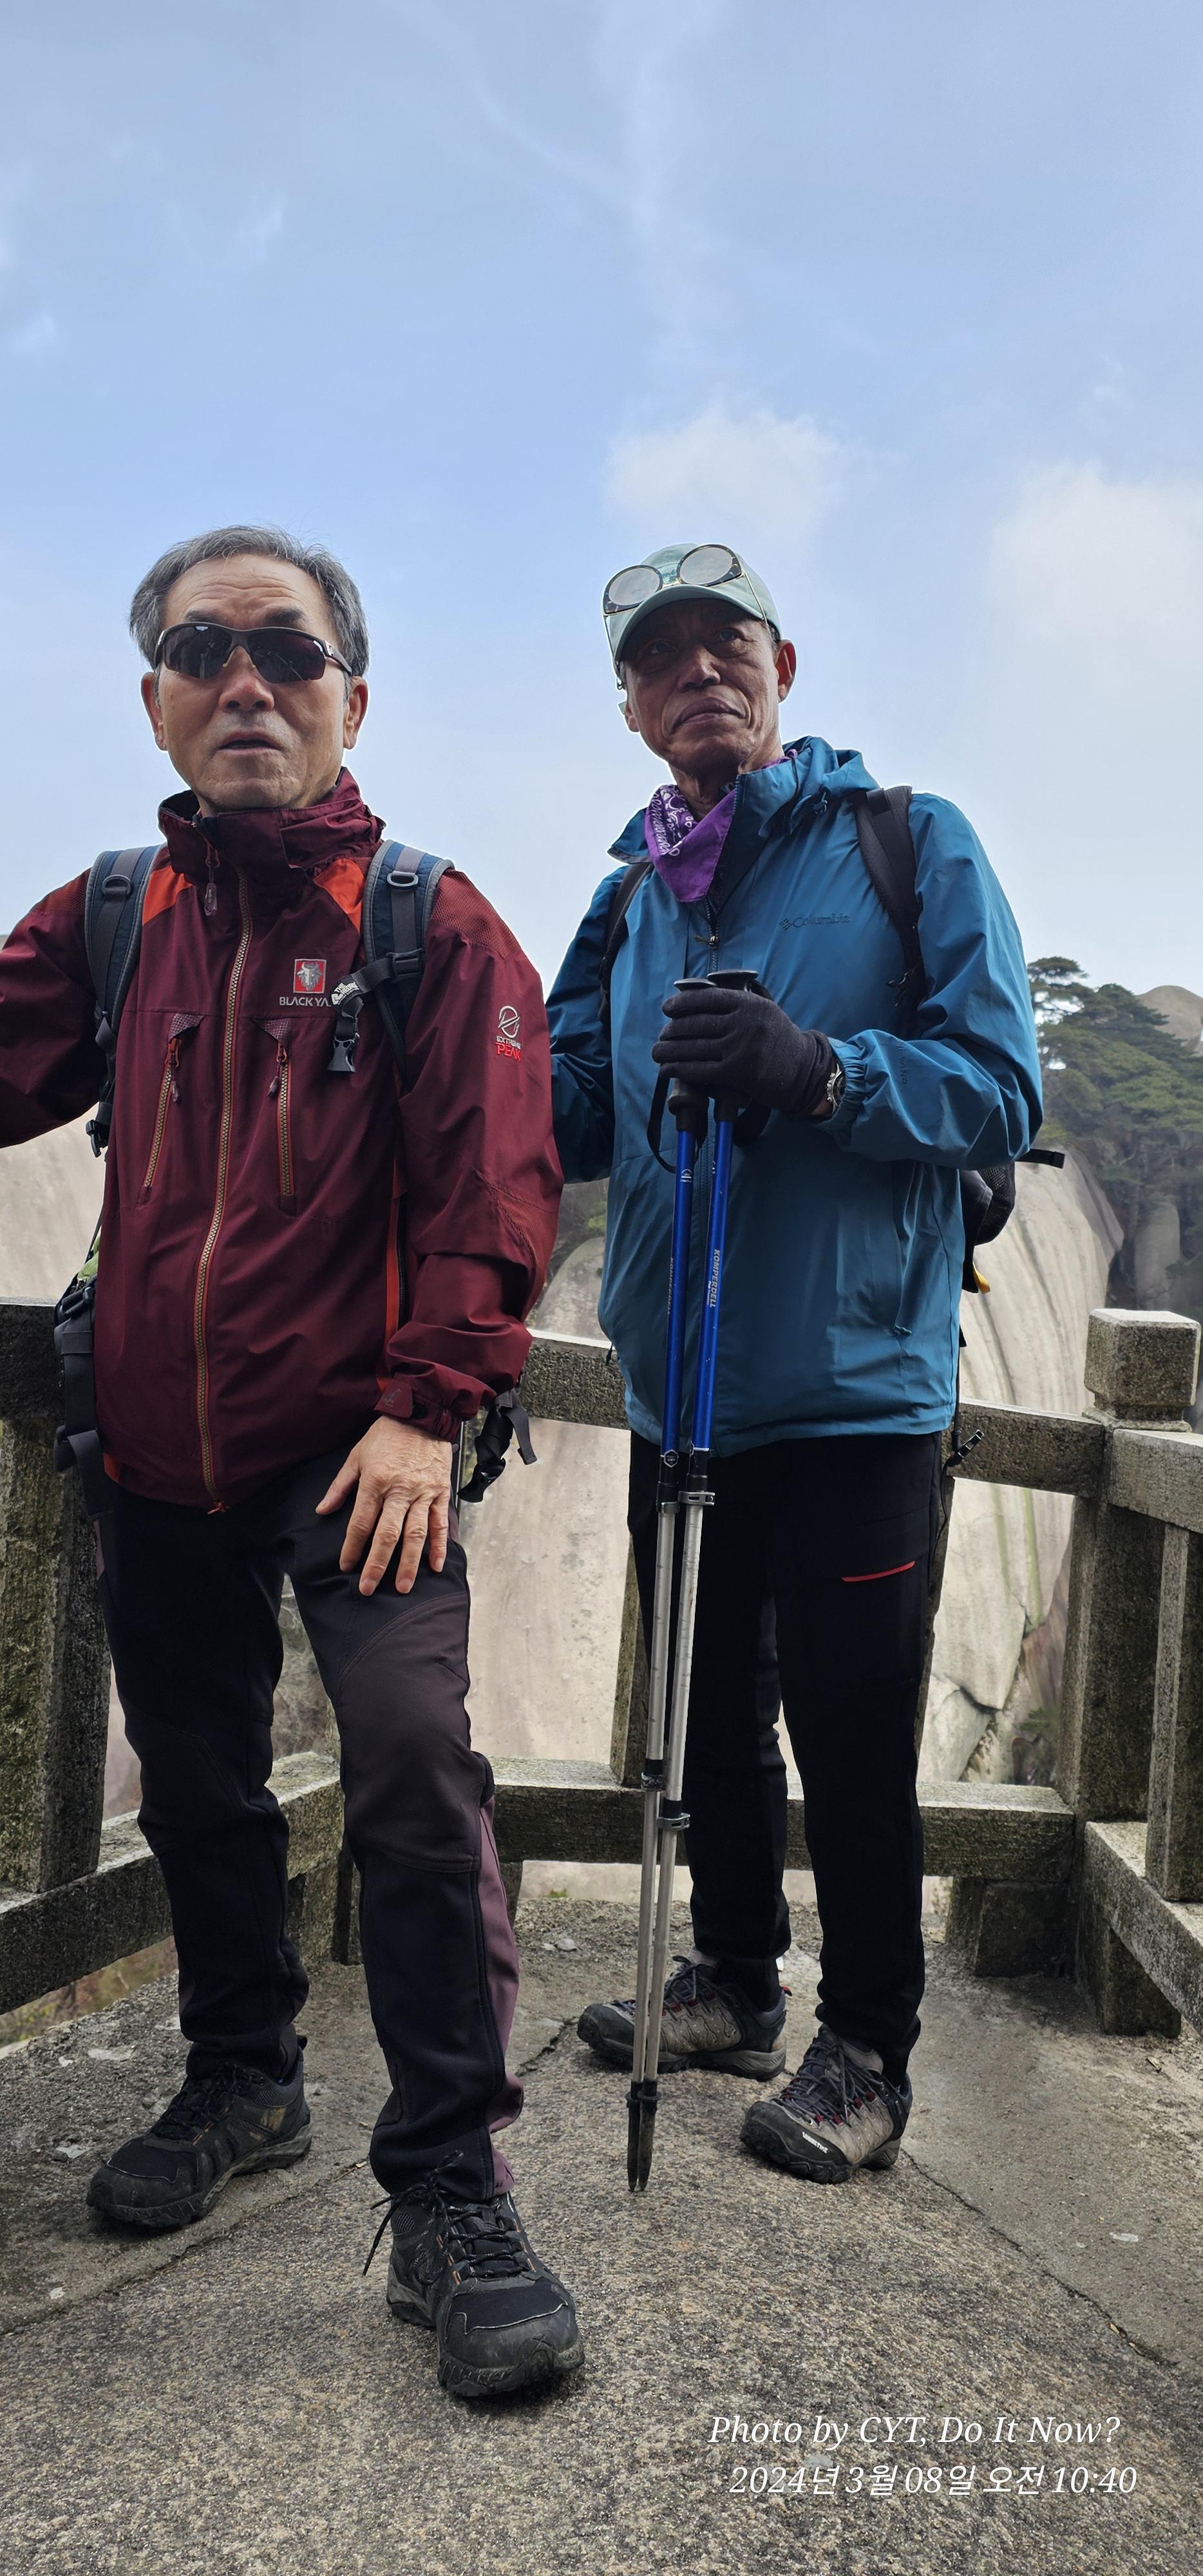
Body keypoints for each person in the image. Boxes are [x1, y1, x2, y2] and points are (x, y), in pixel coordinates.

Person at [0, 524, 582, 2401]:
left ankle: (453, 2186)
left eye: (287, 650)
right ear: (155, 700)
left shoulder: (427, 923)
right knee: (198, 1782)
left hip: (361, 1449)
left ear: (352, 694)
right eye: (202, 649)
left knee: (410, 1771)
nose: (245, 681)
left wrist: (429, 1404)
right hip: (156, 1446)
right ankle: (245, 2077)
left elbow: (495, 1187)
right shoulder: (114, 919)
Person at [548, 542, 1041, 2183]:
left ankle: (869, 2046)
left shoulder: (906, 840)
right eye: (661, 656)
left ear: (783, 668)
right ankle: (737, 1977)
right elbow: (560, 1111)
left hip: (851, 1386)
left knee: (849, 1723)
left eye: (727, 642)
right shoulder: (627, 900)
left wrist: (817, 1069)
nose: (699, 670)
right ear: (631, 705)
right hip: (680, 1383)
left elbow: (1000, 1085)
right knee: (699, 1717)